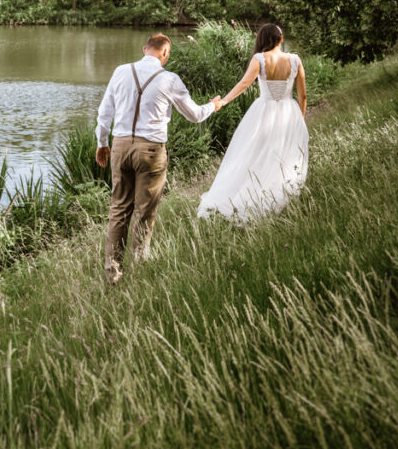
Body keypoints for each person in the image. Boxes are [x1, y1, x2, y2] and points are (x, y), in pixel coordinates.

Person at [96, 32, 222, 284]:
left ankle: (113, 273)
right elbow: (195, 115)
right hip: (151, 150)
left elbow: (104, 111)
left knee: (119, 209)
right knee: (145, 210)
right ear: (165, 53)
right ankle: (140, 266)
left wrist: (102, 142)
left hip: (120, 146)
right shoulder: (170, 79)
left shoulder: (120, 71)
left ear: (144, 49)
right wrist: (213, 106)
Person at [198, 23, 308, 223]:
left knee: (255, 154)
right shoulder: (295, 60)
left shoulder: (260, 59)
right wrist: (300, 119)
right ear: (281, 40)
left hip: (264, 111)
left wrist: (223, 101)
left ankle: (252, 196)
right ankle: (277, 197)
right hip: (289, 113)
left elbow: (244, 83)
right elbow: (303, 95)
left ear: (261, 40)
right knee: (282, 156)